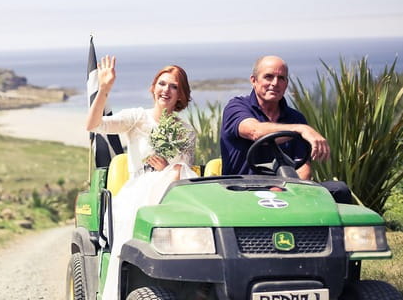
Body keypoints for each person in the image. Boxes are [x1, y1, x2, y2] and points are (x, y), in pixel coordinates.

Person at [86, 55, 198, 300]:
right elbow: (94, 125)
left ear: (181, 95)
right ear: (153, 88)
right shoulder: (138, 118)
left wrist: (168, 167)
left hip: (172, 192)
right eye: (162, 83)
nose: (166, 90)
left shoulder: (187, 131)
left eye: (174, 86)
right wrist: (104, 89)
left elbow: (184, 171)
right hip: (139, 190)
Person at [220, 55, 352, 203]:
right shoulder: (236, 107)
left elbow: (303, 169)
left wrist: (281, 190)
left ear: (286, 84)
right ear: (254, 81)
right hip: (242, 193)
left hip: (286, 192)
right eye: (268, 77)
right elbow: (255, 131)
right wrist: (301, 129)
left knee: (339, 190)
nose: (275, 83)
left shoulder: (296, 118)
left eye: (281, 78)